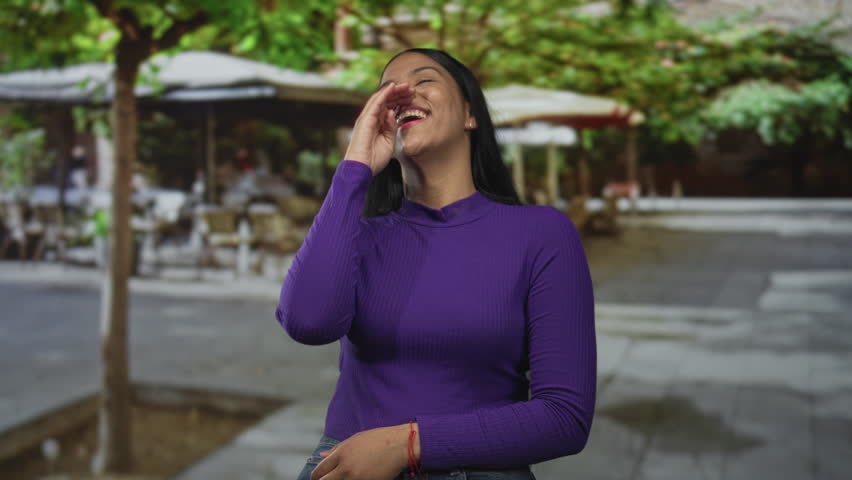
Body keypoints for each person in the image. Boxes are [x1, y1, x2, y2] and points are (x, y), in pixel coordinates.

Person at [277, 48, 596, 480]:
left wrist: (407, 444)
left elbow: (564, 417)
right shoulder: (360, 237)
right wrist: (355, 168)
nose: (402, 92)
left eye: (424, 79)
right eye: (388, 90)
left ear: (470, 114)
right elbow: (307, 322)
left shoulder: (542, 233)